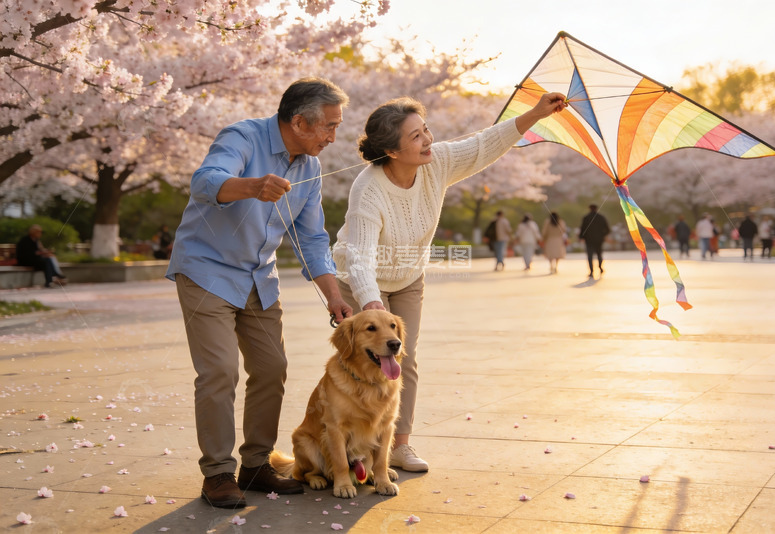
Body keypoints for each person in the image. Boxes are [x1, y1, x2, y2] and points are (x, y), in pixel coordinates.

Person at [332, 92, 567, 473]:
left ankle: (397, 445)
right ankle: (352, 447)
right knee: (360, 363)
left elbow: (483, 145)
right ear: (391, 151)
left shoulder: (436, 161)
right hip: (362, 280)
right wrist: (371, 300)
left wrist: (536, 113)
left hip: (408, 276)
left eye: (425, 130)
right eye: (415, 137)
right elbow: (359, 255)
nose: (427, 140)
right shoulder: (368, 189)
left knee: (401, 359)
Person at [166, 78, 353, 509]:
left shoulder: (309, 167)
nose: (332, 137)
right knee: (219, 372)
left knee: (272, 368)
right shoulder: (242, 136)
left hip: (258, 278)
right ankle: (217, 473)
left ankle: (255, 465)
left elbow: (311, 238)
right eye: (328, 126)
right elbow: (205, 181)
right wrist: (252, 186)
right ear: (300, 121)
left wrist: (333, 295)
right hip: (206, 270)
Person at [578, 204, 610, 278]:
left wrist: (581, 237)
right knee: (599, 255)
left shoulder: (586, 218)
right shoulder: (601, 217)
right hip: (599, 240)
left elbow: (583, 229)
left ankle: (591, 271)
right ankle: (600, 268)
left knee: (590, 256)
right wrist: (602, 235)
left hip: (589, 240)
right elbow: (607, 229)